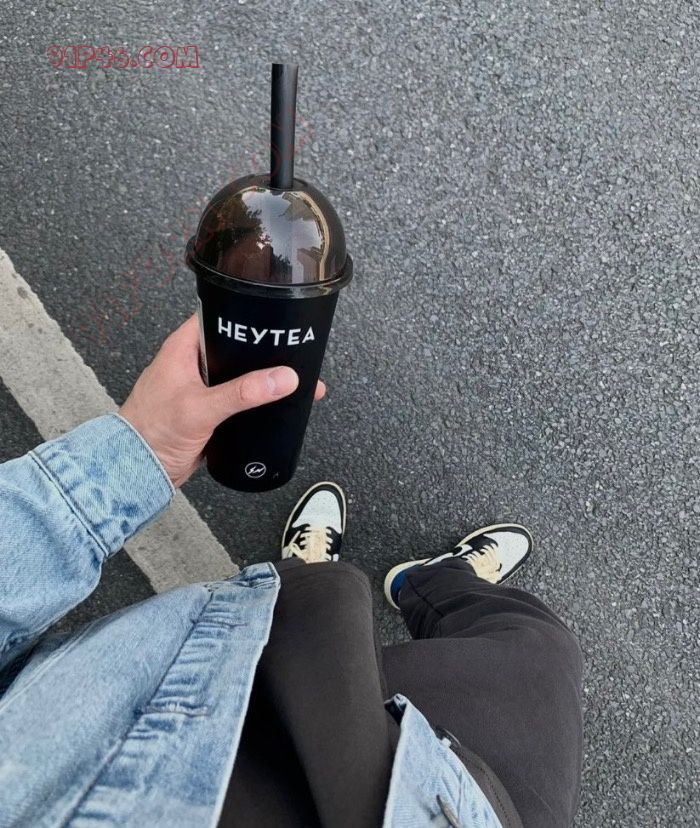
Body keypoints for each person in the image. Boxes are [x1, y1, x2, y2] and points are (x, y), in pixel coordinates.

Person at [0, 315, 583, 828]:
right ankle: (437, 579)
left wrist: (137, 455)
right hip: (454, 804)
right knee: (539, 653)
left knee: (306, 613)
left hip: (246, 726)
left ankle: (314, 576)